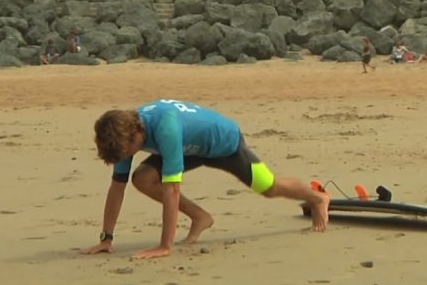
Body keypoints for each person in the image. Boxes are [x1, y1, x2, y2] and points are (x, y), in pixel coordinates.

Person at [79, 100, 329, 259]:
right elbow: (117, 187)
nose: (130, 155)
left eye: (130, 149)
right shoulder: (125, 137)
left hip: (225, 145)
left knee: (269, 187)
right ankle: (201, 217)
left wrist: (164, 246)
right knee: (142, 178)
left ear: (137, 131)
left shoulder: (166, 128)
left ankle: (316, 198)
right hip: (191, 149)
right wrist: (106, 238)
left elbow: (172, 190)